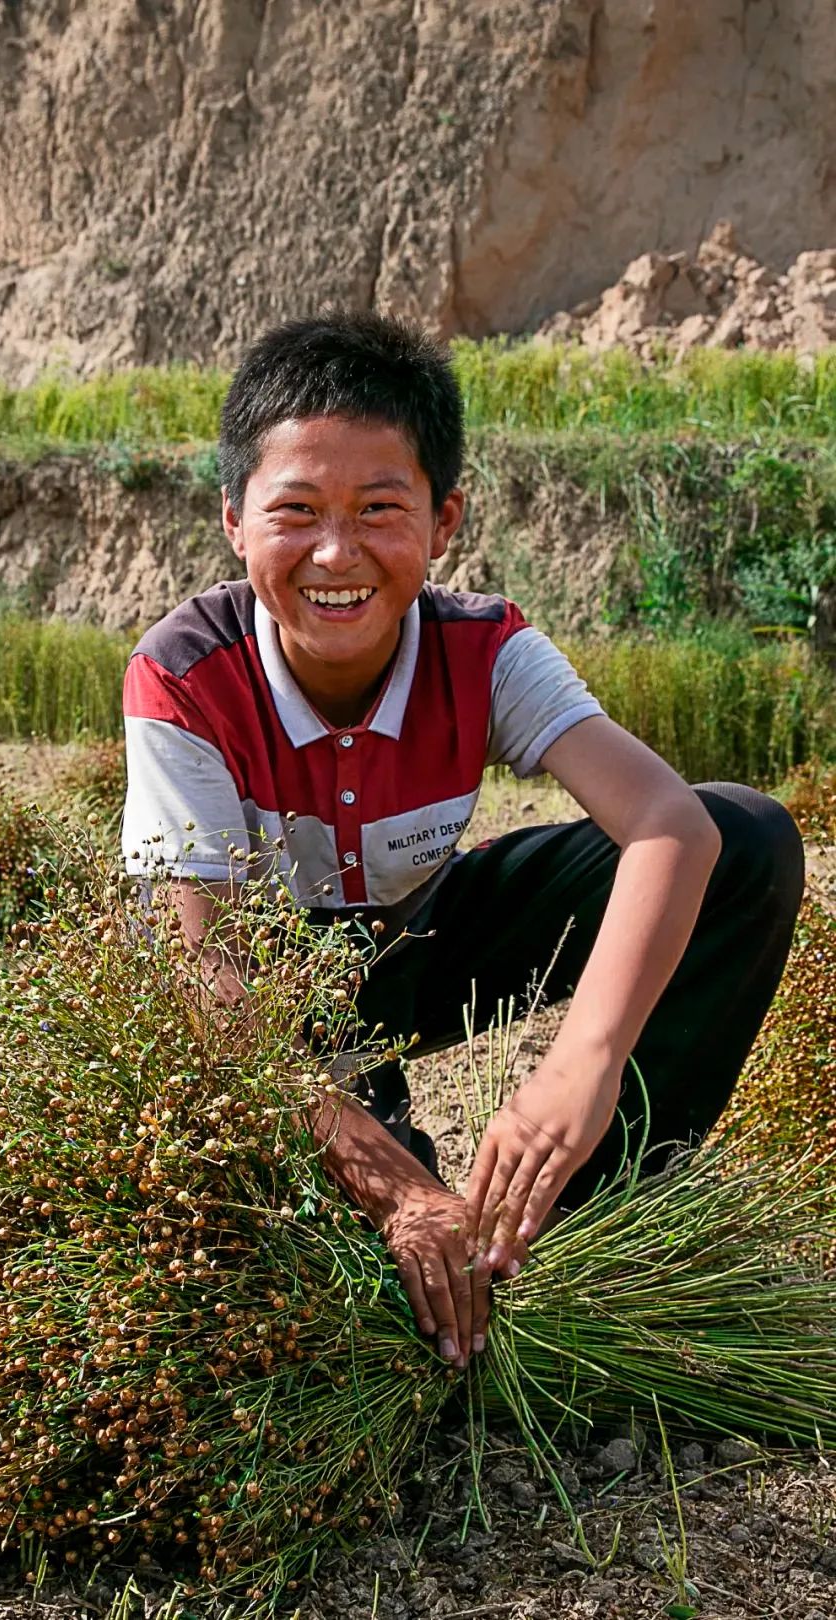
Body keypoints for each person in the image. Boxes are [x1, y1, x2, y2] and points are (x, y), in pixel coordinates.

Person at [121, 311, 804, 1373]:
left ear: (444, 523)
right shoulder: (184, 676)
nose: (336, 554)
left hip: (421, 940)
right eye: (295, 511)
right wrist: (396, 1184)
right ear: (234, 522)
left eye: (380, 510)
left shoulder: (484, 648)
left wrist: (586, 1060)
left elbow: (668, 824)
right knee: (377, 1280)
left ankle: (579, 1221)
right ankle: (439, 1227)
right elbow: (198, 972)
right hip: (275, 1005)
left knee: (742, 835)